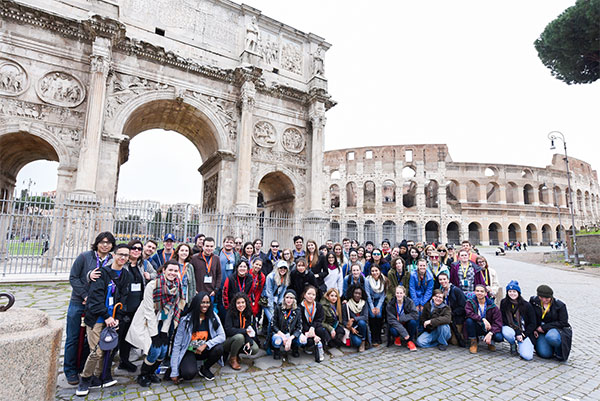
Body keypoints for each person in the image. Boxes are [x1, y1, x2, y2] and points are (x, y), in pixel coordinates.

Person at [76, 243, 130, 396]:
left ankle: (98, 376)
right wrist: (106, 316)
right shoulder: (102, 273)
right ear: (114, 255)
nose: (123, 258)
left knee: (108, 348)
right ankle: (85, 379)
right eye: (120, 254)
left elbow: (124, 299)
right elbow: (94, 298)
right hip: (97, 318)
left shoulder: (126, 276)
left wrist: (117, 317)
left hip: (113, 317)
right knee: (96, 352)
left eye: (126, 255)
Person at [65, 232, 115, 385]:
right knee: (73, 337)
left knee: (90, 339)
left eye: (108, 242)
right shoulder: (85, 257)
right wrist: (85, 295)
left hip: (97, 306)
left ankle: (84, 368)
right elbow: (73, 277)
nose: (105, 245)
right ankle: (70, 370)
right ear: (97, 243)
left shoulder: (111, 261)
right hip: (78, 302)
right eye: (102, 242)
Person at [126, 260, 186, 387]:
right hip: (148, 321)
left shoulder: (176, 286)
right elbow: (149, 311)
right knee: (154, 350)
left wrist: (164, 332)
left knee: (164, 350)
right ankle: (143, 374)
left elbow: (170, 311)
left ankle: (152, 372)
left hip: (163, 321)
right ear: (164, 270)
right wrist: (154, 334)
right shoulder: (153, 285)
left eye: (176, 271)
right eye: (170, 270)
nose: (173, 273)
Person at [169, 292, 225, 383]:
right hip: (190, 351)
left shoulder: (213, 316)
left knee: (219, 348)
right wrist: (174, 372)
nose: (205, 305)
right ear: (196, 303)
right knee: (188, 374)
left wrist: (206, 345)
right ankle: (183, 367)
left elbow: (222, 336)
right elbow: (177, 345)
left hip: (204, 350)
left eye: (207, 303)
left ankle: (205, 368)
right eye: (202, 302)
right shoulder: (185, 320)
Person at [118, 240, 153, 373]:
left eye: (139, 249)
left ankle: (125, 360)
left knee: (131, 333)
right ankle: (120, 360)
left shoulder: (144, 264)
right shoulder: (122, 263)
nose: (137, 251)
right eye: (134, 248)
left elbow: (156, 274)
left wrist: (149, 276)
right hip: (124, 304)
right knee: (121, 334)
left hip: (138, 305)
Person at [529, 284, 572, 361]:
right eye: (541, 297)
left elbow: (563, 322)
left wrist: (544, 327)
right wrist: (534, 329)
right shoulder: (534, 301)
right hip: (540, 330)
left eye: (547, 298)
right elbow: (531, 316)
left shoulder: (560, 305)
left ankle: (559, 351)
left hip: (555, 329)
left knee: (552, 337)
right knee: (545, 354)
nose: (544, 300)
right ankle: (548, 348)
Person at [500, 280, 535, 360]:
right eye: (510, 291)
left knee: (527, 356)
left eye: (514, 291)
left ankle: (523, 344)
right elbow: (504, 319)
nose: (512, 293)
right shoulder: (504, 303)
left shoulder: (526, 305)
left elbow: (533, 323)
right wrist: (517, 332)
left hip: (524, 332)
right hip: (510, 329)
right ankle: (512, 344)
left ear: (518, 292)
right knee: (506, 332)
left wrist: (524, 334)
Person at [223, 292, 259, 370]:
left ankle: (237, 354)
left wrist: (248, 341)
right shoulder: (230, 313)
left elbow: (249, 329)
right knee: (239, 337)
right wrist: (244, 331)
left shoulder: (247, 312)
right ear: (235, 304)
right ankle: (232, 359)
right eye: (238, 303)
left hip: (242, 338)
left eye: (243, 302)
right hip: (229, 341)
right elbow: (228, 330)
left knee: (255, 349)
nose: (241, 305)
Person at [464, 284, 503, 354]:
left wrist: (491, 333)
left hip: (489, 328)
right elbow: (469, 313)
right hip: (478, 326)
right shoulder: (470, 302)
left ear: (485, 293)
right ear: (474, 292)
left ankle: (490, 341)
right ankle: (473, 342)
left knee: (499, 337)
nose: (479, 293)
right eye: (477, 291)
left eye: (482, 291)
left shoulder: (492, 306)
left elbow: (498, 322)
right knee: (469, 321)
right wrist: (482, 319)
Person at [270, 289, 305, 360]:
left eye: (291, 298)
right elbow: (273, 324)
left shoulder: (297, 310)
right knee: (277, 340)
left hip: (291, 333)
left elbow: (299, 327)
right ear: (284, 298)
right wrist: (282, 336)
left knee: (303, 340)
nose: (289, 300)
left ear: (294, 299)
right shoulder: (278, 308)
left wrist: (290, 338)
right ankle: (277, 350)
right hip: (280, 333)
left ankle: (295, 348)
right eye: (287, 297)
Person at [263, 260, 291, 345]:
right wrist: (271, 308)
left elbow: (282, 293)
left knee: (275, 321)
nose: (283, 270)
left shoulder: (285, 278)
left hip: (276, 301)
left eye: (285, 268)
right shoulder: (270, 277)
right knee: (272, 320)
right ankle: (267, 342)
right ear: (277, 268)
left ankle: (273, 339)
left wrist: (280, 305)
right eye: (281, 268)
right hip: (267, 301)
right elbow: (269, 292)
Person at [191, 237, 222, 309]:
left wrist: (216, 290)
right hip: (198, 292)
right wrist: (194, 289)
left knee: (209, 313)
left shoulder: (216, 259)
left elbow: (219, 274)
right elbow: (191, 275)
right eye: (207, 246)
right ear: (203, 246)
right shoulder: (194, 258)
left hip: (211, 293)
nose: (209, 248)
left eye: (211, 246)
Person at [300, 285, 328, 362]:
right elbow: (301, 321)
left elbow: (319, 319)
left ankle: (321, 348)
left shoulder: (318, 306)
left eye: (313, 294)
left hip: (315, 327)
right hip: (305, 329)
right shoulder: (300, 307)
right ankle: (308, 347)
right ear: (304, 294)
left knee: (321, 330)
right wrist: (309, 332)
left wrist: (312, 328)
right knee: (308, 340)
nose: (311, 296)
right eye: (309, 294)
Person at [438, 272, 466, 346]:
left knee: (454, 342)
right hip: (447, 317)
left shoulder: (456, 290)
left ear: (448, 280)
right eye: (440, 279)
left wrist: (452, 313)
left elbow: (463, 307)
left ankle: (462, 334)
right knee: (448, 338)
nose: (442, 281)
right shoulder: (441, 291)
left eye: (444, 279)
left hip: (456, 317)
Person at [386, 285, 418, 350]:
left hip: (406, 322)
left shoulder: (409, 302)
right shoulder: (390, 303)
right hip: (396, 324)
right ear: (395, 294)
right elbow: (391, 319)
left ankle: (410, 341)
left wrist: (401, 318)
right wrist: (404, 332)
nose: (399, 295)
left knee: (413, 322)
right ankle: (397, 337)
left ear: (404, 294)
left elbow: (415, 314)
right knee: (393, 330)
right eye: (397, 293)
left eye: (401, 293)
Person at [341, 285, 371, 352]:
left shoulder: (364, 303)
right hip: (353, 329)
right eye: (355, 293)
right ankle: (359, 341)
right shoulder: (346, 305)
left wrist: (353, 319)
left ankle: (363, 341)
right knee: (357, 342)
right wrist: (351, 328)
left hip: (362, 327)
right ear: (352, 293)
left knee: (361, 322)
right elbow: (344, 321)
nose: (357, 295)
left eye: (359, 294)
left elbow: (365, 317)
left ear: (361, 295)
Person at [365, 264, 387, 345]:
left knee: (378, 315)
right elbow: (367, 294)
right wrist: (372, 307)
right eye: (373, 271)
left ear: (379, 271)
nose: (374, 272)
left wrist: (378, 307)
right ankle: (373, 337)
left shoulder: (384, 279)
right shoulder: (367, 280)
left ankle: (378, 336)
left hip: (379, 300)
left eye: (376, 270)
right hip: (371, 300)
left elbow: (383, 294)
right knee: (372, 315)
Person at [174, 243, 197, 307]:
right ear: (178, 252)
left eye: (186, 251)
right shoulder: (172, 265)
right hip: (174, 299)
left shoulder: (190, 267)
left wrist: (192, 300)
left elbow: (192, 284)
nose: (184, 253)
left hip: (185, 300)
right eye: (182, 250)